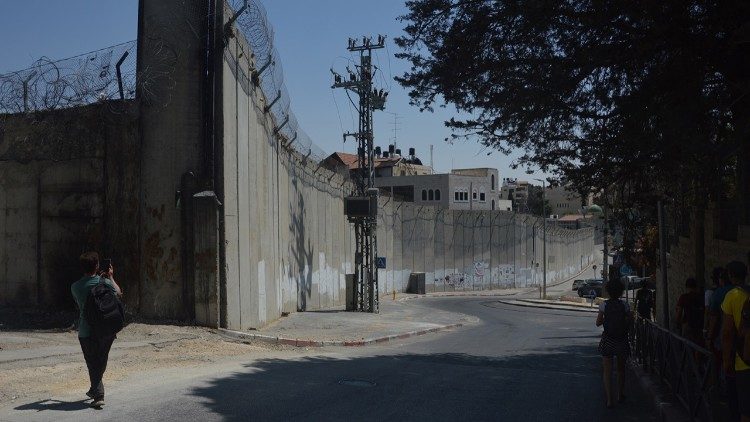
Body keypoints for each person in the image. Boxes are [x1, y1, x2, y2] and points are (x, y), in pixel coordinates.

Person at [71, 252, 122, 408]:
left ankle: (98, 395)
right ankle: (95, 389)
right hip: (107, 330)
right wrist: (111, 277)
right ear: (97, 266)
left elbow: (79, 305)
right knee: (100, 360)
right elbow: (119, 293)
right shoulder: (105, 281)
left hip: (87, 331)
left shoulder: (75, 286)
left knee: (93, 363)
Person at [721, 261, 750, 422]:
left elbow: (727, 332)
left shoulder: (732, 296)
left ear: (731, 276)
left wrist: (726, 361)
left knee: (745, 410)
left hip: (744, 361)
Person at [596, 279, 631, 408]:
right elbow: (630, 321)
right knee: (621, 370)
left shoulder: (604, 305)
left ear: (608, 291)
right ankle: (620, 395)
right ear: (621, 292)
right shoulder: (625, 305)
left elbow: (598, 323)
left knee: (607, 371)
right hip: (621, 340)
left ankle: (609, 400)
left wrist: (607, 319)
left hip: (608, 340)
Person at [675, 277, 704, 346]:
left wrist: (677, 322)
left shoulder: (684, 297)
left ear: (686, 286)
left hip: (688, 325)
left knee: (687, 348)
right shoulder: (701, 297)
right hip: (700, 326)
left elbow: (679, 312)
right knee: (698, 347)